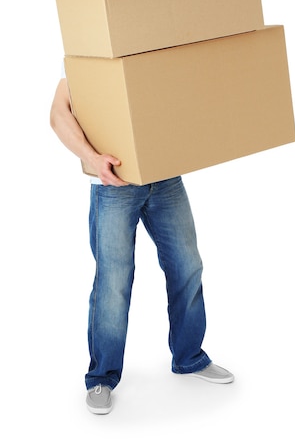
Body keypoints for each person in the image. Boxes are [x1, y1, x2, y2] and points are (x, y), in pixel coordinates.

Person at [50, 75, 234, 415]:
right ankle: (101, 377)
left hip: (165, 178)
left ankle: (189, 357)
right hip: (114, 187)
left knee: (187, 264)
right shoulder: (90, 57)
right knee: (113, 282)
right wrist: (92, 158)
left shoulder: (155, 48)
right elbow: (58, 113)